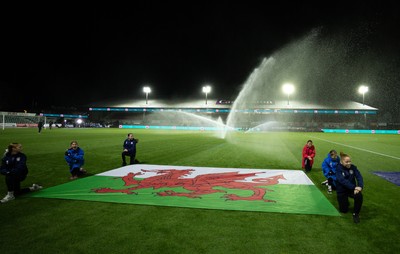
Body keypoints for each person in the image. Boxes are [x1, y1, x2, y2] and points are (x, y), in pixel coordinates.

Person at [336, 152, 364, 223]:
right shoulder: (338, 168)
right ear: (342, 162)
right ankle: (345, 202)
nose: (349, 163)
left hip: (351, 189)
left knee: (359, 195)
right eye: (346, 162)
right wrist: (354, 187)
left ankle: (356, 214)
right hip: (342, 190)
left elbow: (359, 176)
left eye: (350, 161)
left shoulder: (353, 167)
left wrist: (360, 186)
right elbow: (342, 180)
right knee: (344, 210)